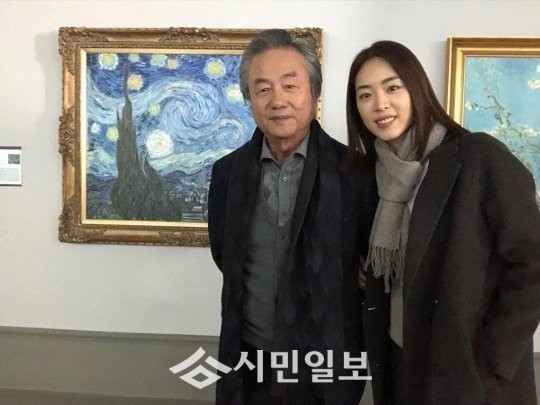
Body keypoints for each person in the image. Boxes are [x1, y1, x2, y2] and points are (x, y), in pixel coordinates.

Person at [346, 40, 540, 404]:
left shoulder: (479, 158)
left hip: (469, 374)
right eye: (365, 95)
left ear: (417, 89)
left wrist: (492, 360)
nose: (380, 104)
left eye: (392, 88)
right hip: (400, 362)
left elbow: (532, 262)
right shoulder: (374, 175)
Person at [208, 29, 376, 404]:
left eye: (290, 85)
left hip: (327, 363)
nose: (278, 100)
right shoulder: (227, 173)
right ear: (249, 99)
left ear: (314, 93)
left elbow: (371, 265)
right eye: (263, 89)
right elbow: (225, 255)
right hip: (249, 359)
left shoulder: (356, 173)